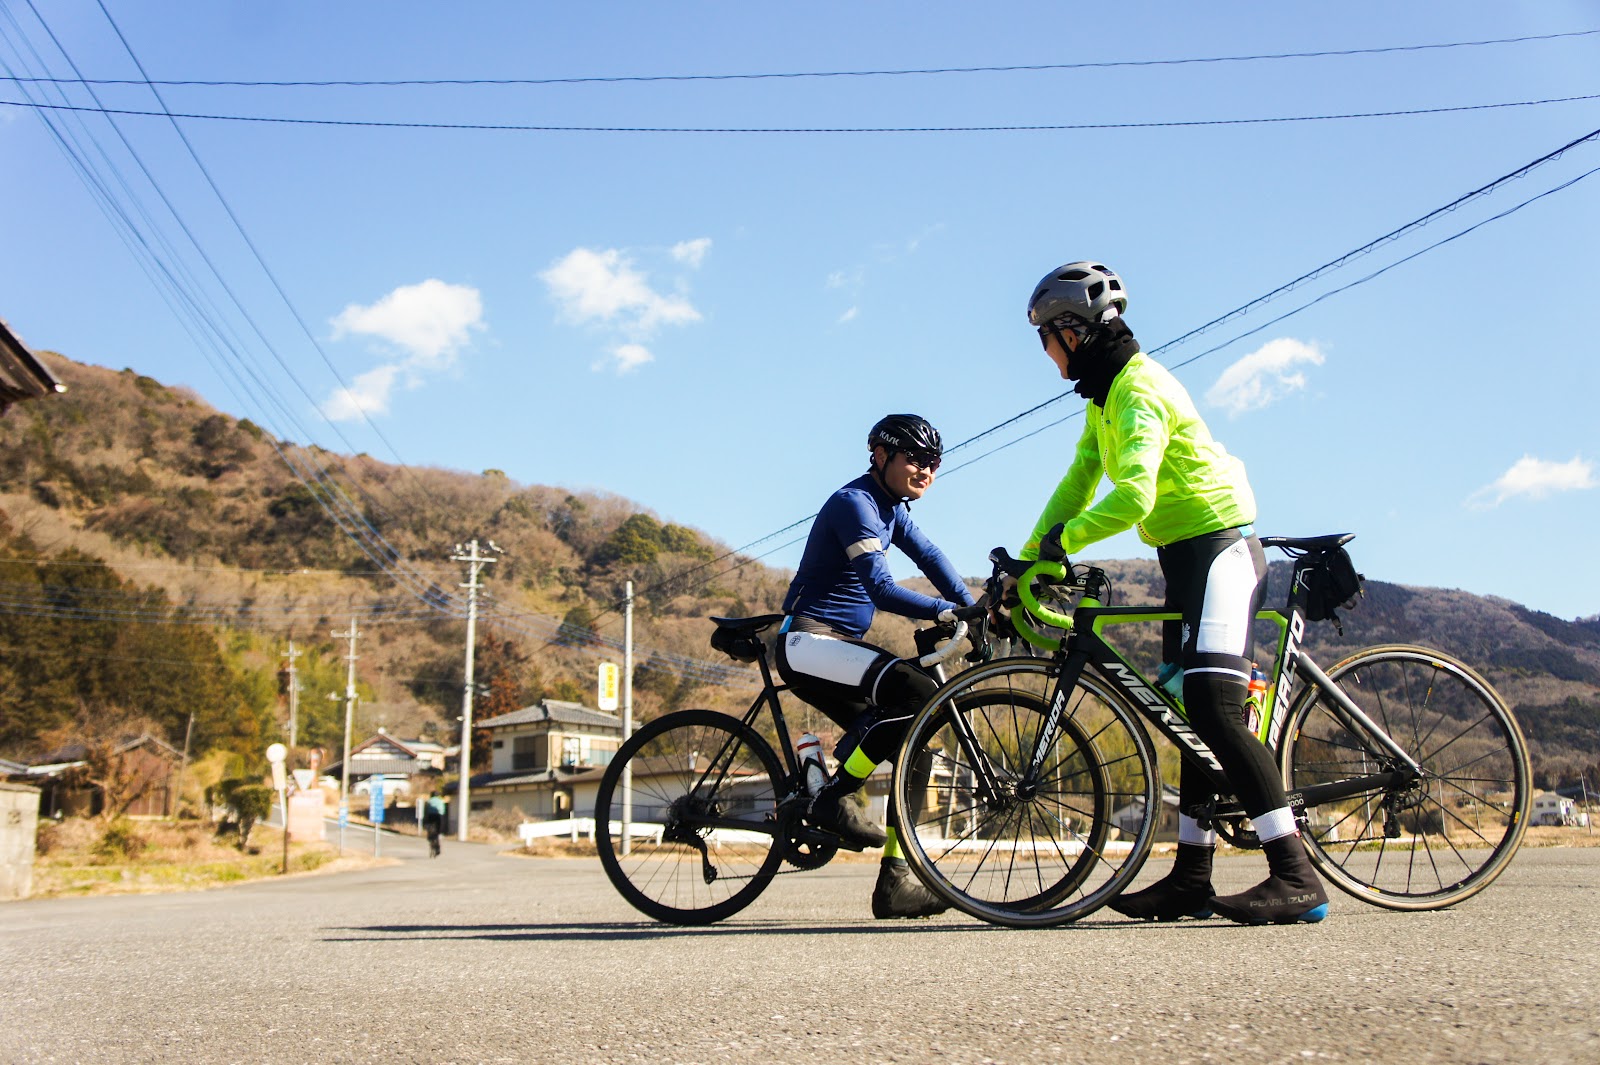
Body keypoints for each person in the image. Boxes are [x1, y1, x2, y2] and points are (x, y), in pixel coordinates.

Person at [1015, 261, 1328, 925]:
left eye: (1046, 337)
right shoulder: (1106, 399)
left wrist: (1062, 542)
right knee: (1188, 714)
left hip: (1220, 549)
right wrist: (1024, 559)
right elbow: (1077, 484)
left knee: (1214, 710)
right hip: (1182, 556)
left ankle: (1296, 874)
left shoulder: (1138, 389)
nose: (1045, 353)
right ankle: (1191, 875)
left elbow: (1134, 496)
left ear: (1072, 331)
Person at [775, 414, 983, 919]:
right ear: (881, 455)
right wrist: (945, 611)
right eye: (915, 458)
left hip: (837, 645)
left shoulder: (892, 509)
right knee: (913, 694)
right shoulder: (856, 504)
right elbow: (881, 589)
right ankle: (833, 797)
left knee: (917, 751)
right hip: (808, 639)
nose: (926, 470)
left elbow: (930, 556)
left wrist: (971, 608)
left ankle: (896, 883)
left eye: (933, 463)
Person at [422, 790, 446, 858]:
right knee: (438, 831)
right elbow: (443, 811)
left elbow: (426, 811)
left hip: (431, 816)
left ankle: (430, 837)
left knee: (429, 828)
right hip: (439, 816)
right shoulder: (441, 801)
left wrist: (425, 821)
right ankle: (438, 842)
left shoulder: (429, 801)